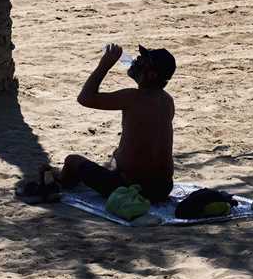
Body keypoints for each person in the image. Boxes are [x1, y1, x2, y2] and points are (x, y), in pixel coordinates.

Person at [56, 43, 176, 203]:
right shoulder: (167, 100)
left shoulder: (132, 97)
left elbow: (84, 98)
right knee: (115, 158)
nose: (136, 60)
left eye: (143, 61)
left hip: (130, 188)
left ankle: (57, 184)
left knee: (72, 161)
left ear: (152, 75)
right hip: (163, 189)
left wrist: (104, 65)